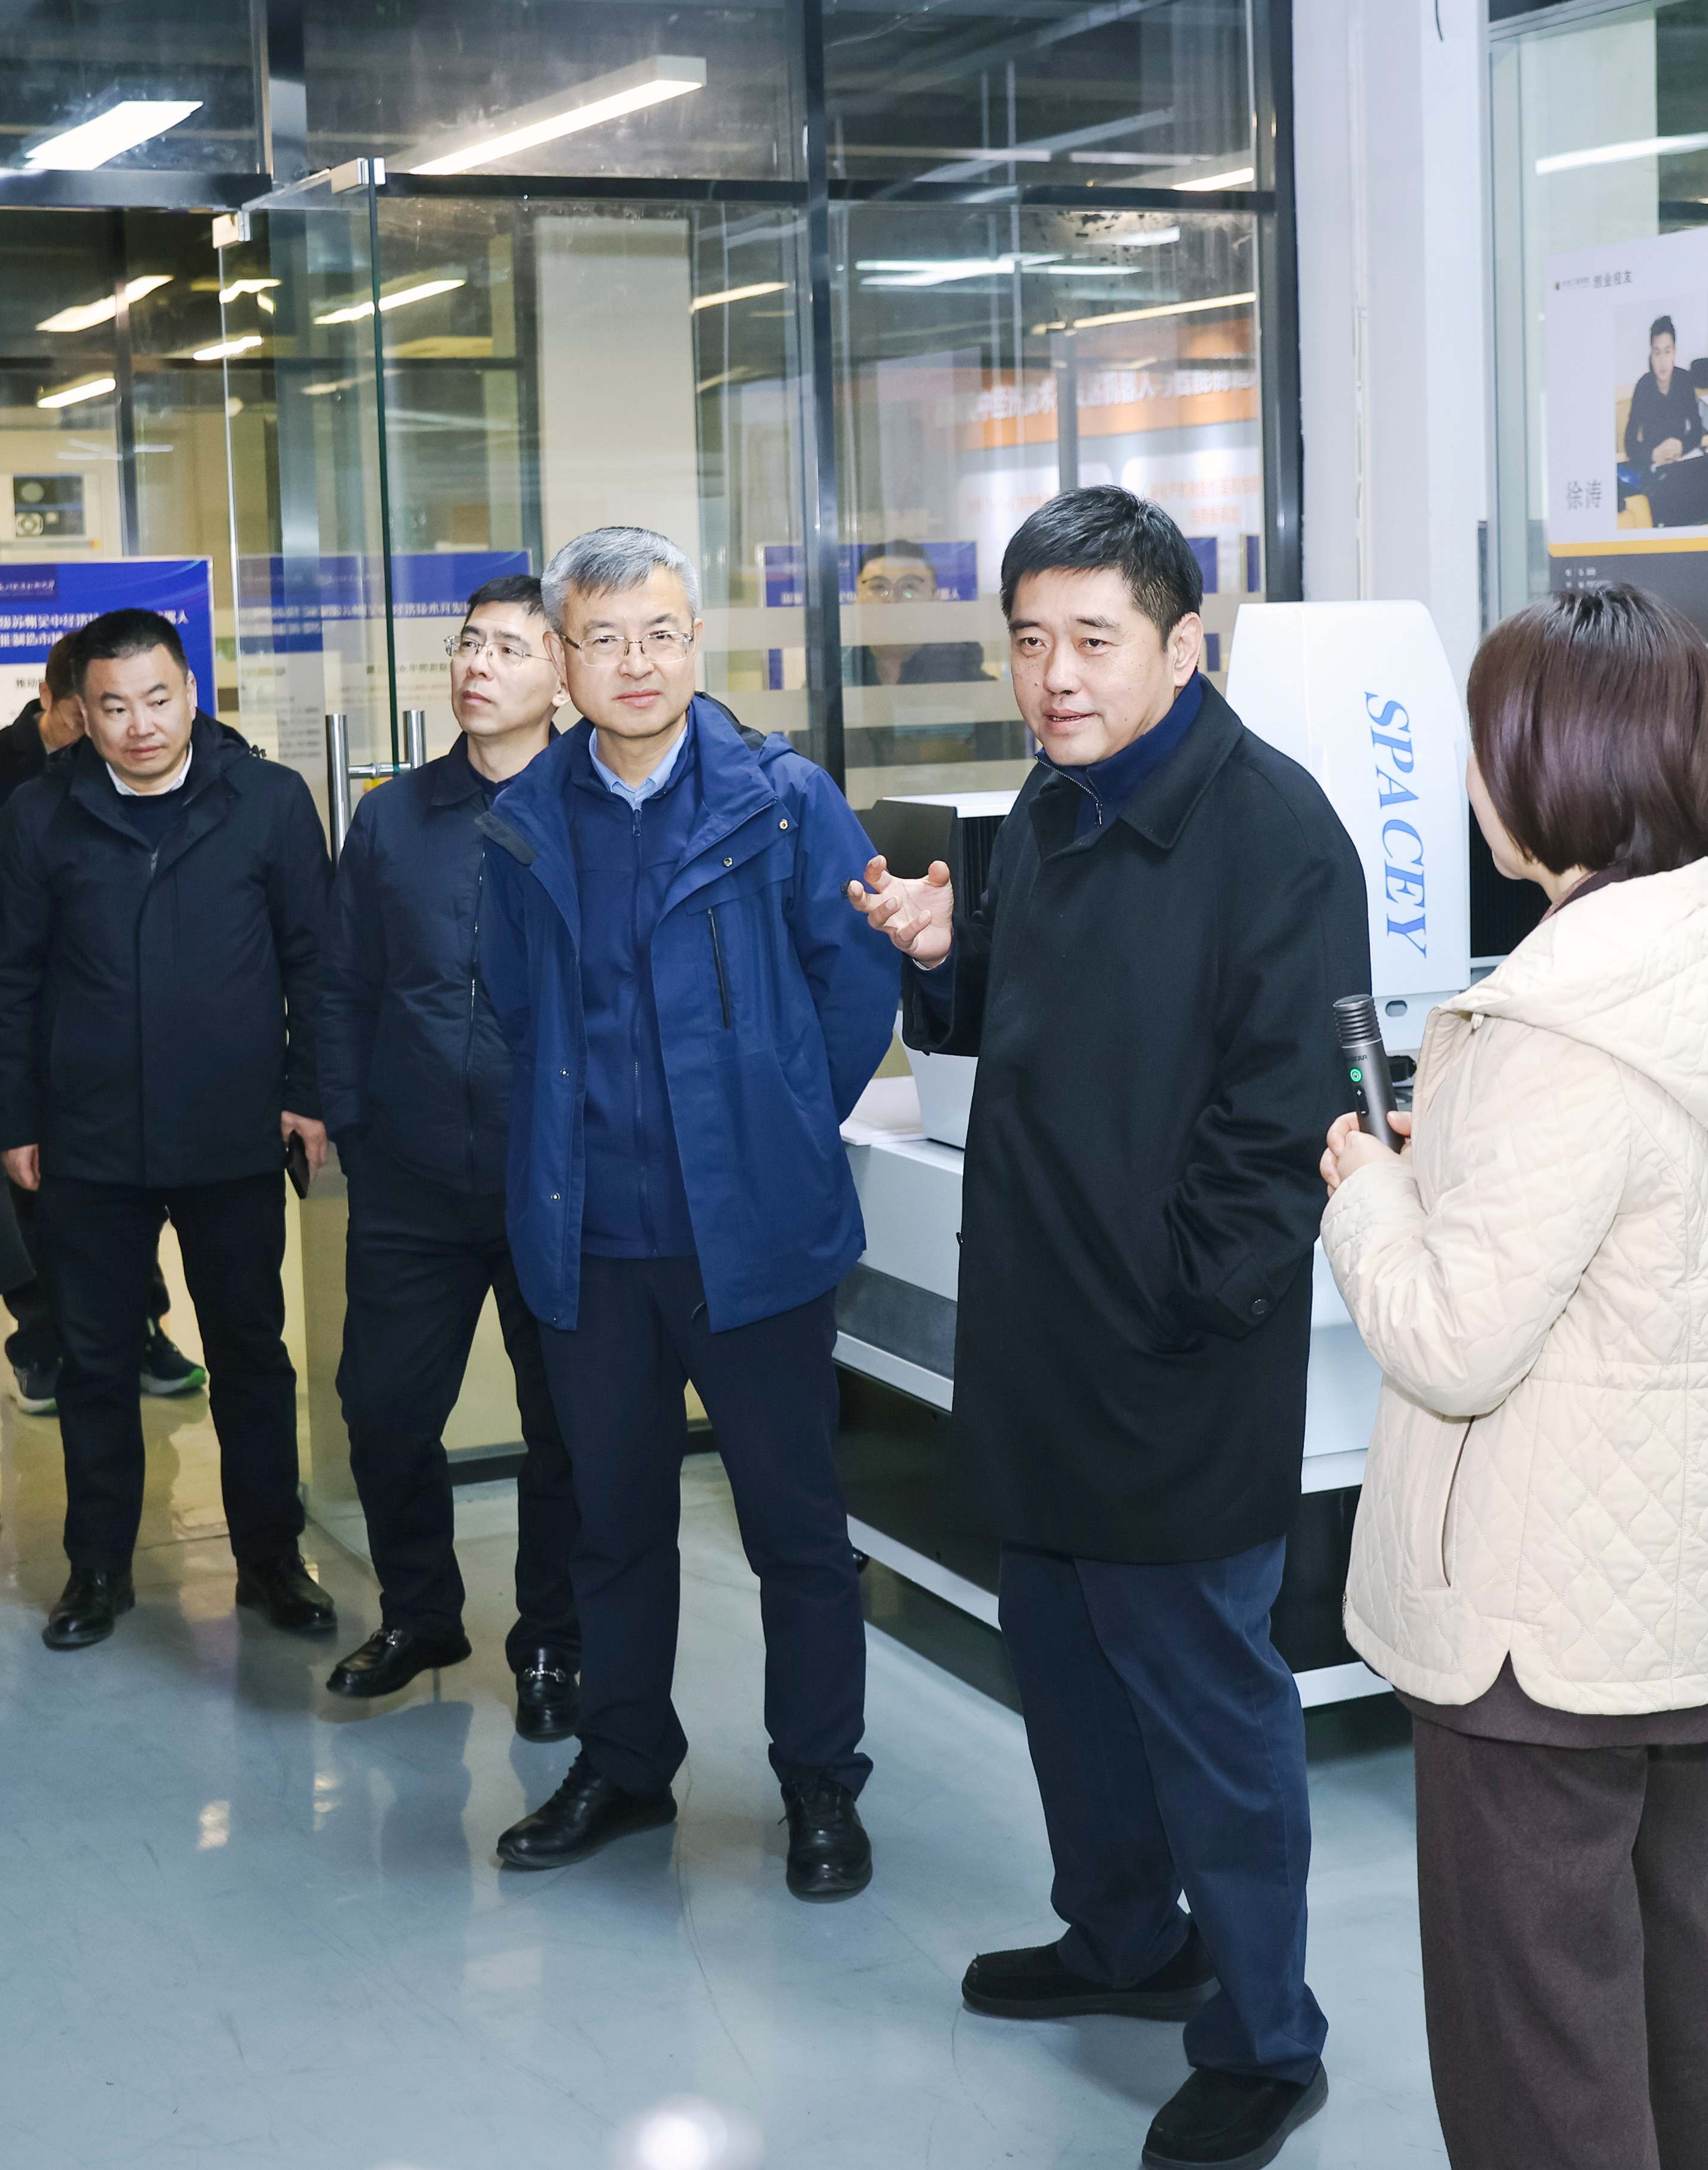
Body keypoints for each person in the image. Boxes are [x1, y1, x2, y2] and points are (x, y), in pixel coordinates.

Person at [847, 488, 1366, 2170]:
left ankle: (1265, 2034)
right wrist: (945, 955)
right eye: (1028, 640)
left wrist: (1179, 1308)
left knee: (1209, 1702)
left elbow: (1285, 1120)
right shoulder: (1054, 804)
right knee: (1063, 1669)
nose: (1054, 675)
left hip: (1172, 1359)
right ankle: (1123, 1936)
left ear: (1180, 645)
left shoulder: (1274, 834)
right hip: (1039, 1334)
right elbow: (1024, 1016)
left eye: (1092, 639)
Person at [1313, 580, 1708, 2170]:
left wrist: (1365, 1191)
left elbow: (1450, 1340)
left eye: (1484, 745)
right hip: (1665, 1593)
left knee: (1534, 2046)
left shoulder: (1559, 1025)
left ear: (1547, 769)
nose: (1470, 778)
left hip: (1530, 1620)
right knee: (1665, 1987)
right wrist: (1447, 1165)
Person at [478, 525, 897, 1899]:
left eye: (659, 632)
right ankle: (623, 1763)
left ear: (695, 638)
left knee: (793, 1526)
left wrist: (777, 1120)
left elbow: (855, 985)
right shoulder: (527, 819)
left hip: (751, 1237)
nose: (636, 663)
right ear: (562, 659)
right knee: (610, 1523)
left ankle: (819, 1781)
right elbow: (515, 1007)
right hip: (592, 1240)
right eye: (603, 639)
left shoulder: (783, 802)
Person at [0, 607, 338, 1652]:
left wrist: (308, 1089)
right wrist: (17, 1117)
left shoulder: (267, 800)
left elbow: (317, 961)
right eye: (114, 706)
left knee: (249, 1352)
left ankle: (271, 1557)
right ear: (78, 715)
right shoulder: (39, 816)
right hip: (89, 1139)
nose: (140, 725)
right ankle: (97, 1568)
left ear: (192, 693)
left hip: (232, 1129)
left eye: (158, 699)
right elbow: (8, 977)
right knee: (94, 1362)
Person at [312, 572, 583, 1735]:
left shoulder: (594, 809)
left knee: (565, 1426)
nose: (479, 665)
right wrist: (346, 1119)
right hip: (411, 1174)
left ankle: (554, 1641)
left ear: (563, 674)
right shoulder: (391, 817)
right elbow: (341, 981)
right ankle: (420, 1613)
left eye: (511, 649)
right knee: (381, 1410)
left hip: (555, 1178)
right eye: (470, 644)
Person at [0, 628, 201, 1416]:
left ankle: (145, 1328)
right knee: (31, 1188)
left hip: (117, 1015)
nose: (106, 729)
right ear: (54, 700)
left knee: (127, 1183)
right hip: (25, 1009)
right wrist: (45, 898)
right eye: (89, 713)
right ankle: (40, 1339)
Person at [1622, 315, 1708, 529]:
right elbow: (1629, 443)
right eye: (1657, 352)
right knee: (1672, 512)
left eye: (1668, 351)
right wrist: (1653, 454)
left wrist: (1682, 446)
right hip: (1656, 466)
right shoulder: (1644, 387)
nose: (1663, 361)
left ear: (1674, 353)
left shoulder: (1684, 380)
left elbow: (1697, 429)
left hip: (1683, 458)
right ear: (1651, 356)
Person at [849, 540, 987, 686]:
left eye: (909, 587)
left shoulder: (969, 681)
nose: (893, 599)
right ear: (856, 601)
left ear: (935, 601)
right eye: (878, 587)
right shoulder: (839, 674)